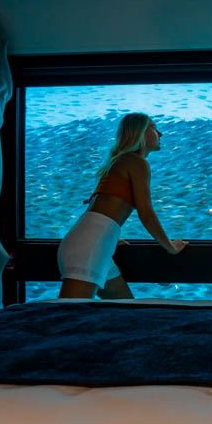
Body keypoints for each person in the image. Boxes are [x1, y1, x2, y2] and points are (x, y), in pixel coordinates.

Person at [57, 113, 187, 299]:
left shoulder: (120, 162)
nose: (160, 133)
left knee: (126, 311)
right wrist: (169, 247)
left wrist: (108, 238)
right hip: (90, 247)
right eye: (153, 127)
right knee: (66, 318)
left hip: (92, 244)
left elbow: (99, 209)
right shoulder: (136, 162)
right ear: (140, 133)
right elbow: (146, 213)